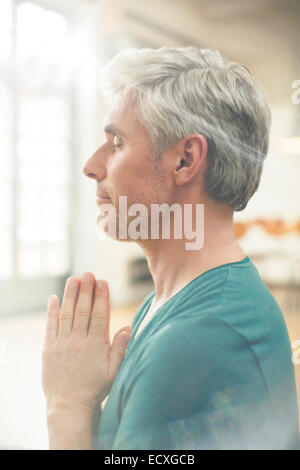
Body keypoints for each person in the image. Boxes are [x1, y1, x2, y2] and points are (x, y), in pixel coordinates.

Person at [42, 46, 299, 450]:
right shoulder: (172, 301)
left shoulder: (198, 341)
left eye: (117, 143)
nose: (91, 165)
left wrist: (67, 407)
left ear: (185, 160)